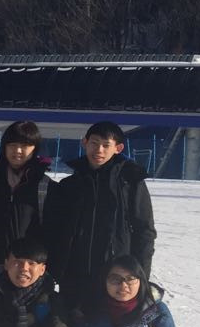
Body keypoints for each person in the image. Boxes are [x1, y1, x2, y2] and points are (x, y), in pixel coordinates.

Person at [46, 121, 156, 305]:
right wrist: (55, 269)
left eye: (106, 145)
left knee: (108, 322)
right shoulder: (70, 185)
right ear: (85, 142)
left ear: (118, 148)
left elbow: (145, 231)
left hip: (115, 277)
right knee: (72, 320)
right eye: (94, 143)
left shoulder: (130, 184)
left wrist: (140, 276)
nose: (99, 150)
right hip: (74, 277)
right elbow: (54, 230)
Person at [0, 120, 54, 274]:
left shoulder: (43, 184)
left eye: (24, 146)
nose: (17, 151)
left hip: (26, 267)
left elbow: (51, 230)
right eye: (12, 145)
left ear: (34, 149)